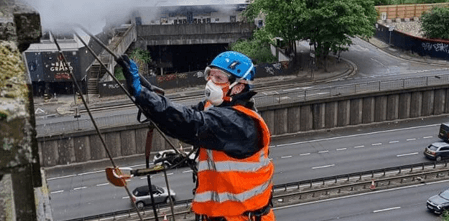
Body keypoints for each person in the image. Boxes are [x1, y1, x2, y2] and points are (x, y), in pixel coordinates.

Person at [116, 51, 275, 221]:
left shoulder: (240, 123)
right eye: (209, 75)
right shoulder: (214, 108)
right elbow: (179, 116)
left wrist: (142, 95)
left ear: (238, 87)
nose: (210, 83)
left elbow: (189, 123)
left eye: (219, 78)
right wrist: (149, 95)